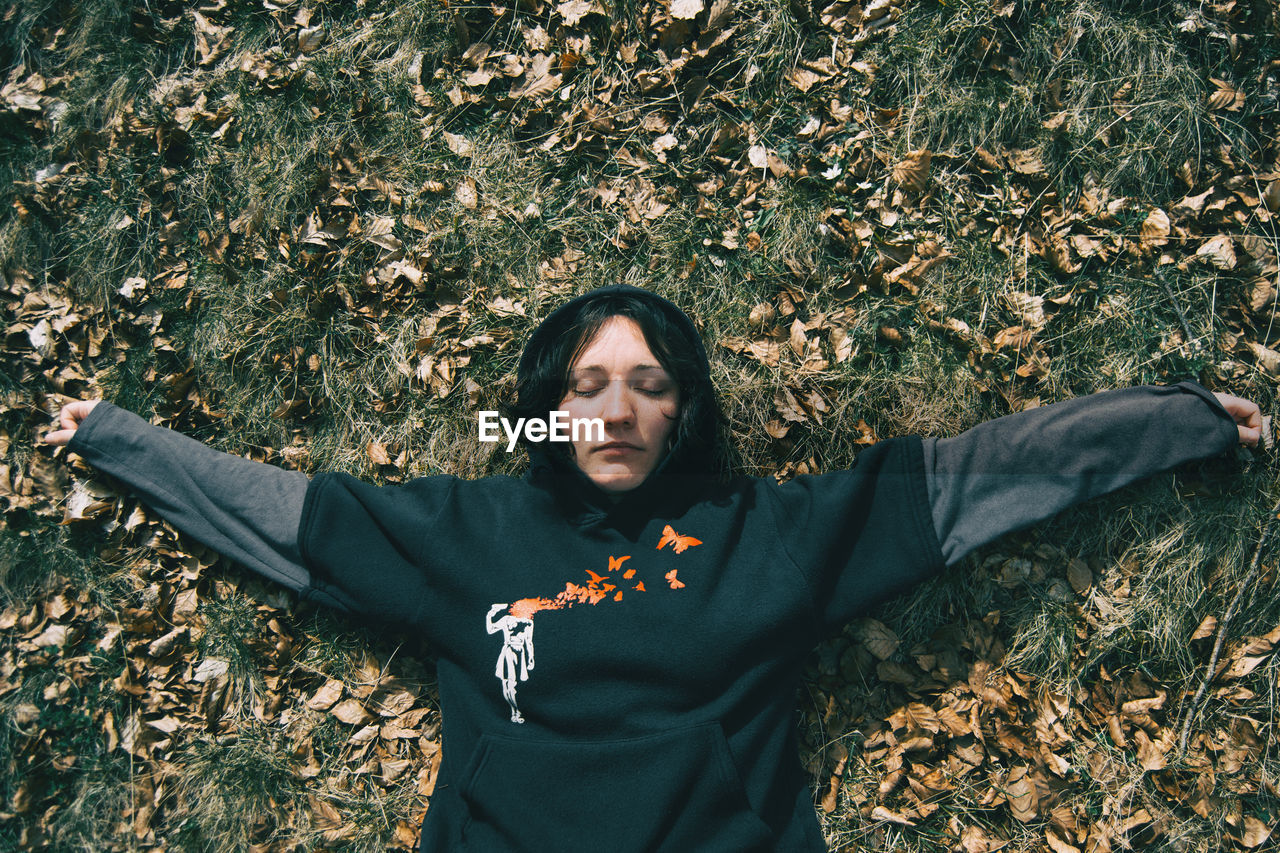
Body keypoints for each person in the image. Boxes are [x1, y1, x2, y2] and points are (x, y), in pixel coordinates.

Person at [45, 284, 1261, 851]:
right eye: (584, 387)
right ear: (545, 412)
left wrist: (1178, 422)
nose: (615, 411)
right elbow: (281, 516)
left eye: (648, 385)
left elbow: (977, 476)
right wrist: (116, 439)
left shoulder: (771, 529)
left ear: (683, 412)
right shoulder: (463, 532)